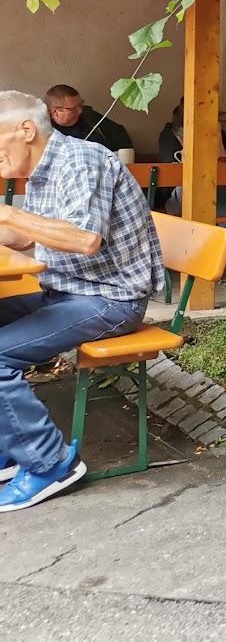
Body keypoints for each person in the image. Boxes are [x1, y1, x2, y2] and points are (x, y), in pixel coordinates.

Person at [0, 89, 162, 512]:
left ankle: (50, 464)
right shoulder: (43, 169)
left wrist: (9, 213)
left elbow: (84, 238)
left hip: (110, 299)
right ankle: (10, 448)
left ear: (25, 130)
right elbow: (26, 237)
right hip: (66, 291)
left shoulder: (82, 160)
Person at [158, 102, 226, 259]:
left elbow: (224, 168)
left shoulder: (217, 133)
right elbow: (173, 172)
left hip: (212, 196)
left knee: (214, 184)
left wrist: (217, 135)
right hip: (177, 198)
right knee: (205, 184)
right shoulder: (169, 135)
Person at [44, 85, 133, 155]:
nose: (80, 111)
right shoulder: (42, 129)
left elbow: (119, 134)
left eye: (80, 105)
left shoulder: (89, 117)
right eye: (73, 108)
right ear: (55, 112)